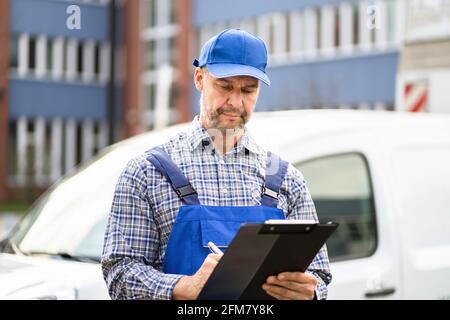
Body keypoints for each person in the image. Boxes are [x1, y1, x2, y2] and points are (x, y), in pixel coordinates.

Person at [101, 29, 331, 300]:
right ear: (200, 79)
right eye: (225, 86)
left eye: (248, 90)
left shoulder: (287, 181)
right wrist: (184, 287)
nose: (236, 102)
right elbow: (119, 274)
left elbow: (320, 276)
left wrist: (310, 292)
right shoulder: (146, 173)